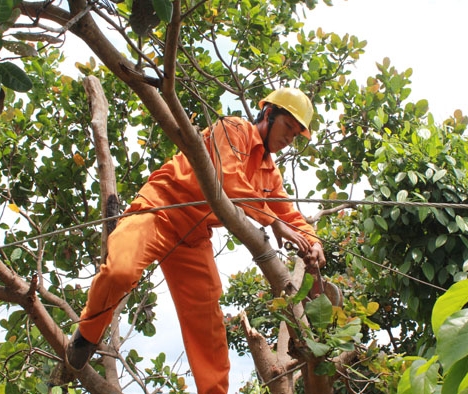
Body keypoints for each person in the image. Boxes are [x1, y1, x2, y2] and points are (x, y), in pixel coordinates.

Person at [65, 87, 326, 393]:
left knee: (208, 325)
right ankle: (86, 335)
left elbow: (290, 214)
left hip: (193, 237)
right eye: (288, 128)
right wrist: (274, 222)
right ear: (268, 115)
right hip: (159, 210)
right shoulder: (233, 129)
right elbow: (227, 180)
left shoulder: (269, 174)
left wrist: (313, 240)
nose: (289, 139)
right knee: (120, 271)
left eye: (296, 135)